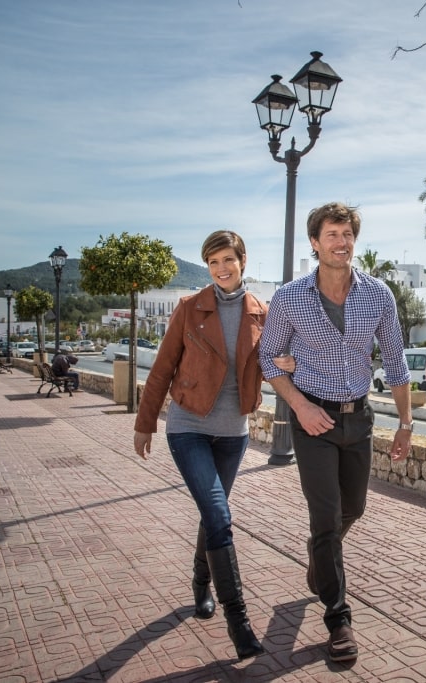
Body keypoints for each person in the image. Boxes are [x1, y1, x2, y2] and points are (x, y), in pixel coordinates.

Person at [259, 202, 413, 663]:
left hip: (359, 418)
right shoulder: (290, 297)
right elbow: (269, 360)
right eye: (331, 234)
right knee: (325, 518)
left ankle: (320, 558)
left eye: (347, 234)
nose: (341, 242)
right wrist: (301, 407)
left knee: (355, 508)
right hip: (314, 422)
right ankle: (338, 618)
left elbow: (397, 362)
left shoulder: (378, 294)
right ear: (314, 241)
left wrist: (405, 423)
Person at [133, 230, 293, 661]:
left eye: (228, 260)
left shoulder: (262, 311)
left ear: (243, 261)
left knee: (212, 513)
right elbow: (163, 367)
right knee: (220, 513)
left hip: (233, 434)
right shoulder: (189, 308)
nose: (221, 269)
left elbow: (274, 359)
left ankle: (201, 582)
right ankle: (238, 620)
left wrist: (288, 362)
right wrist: (144, 424)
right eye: (213, 262)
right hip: (188, 427)